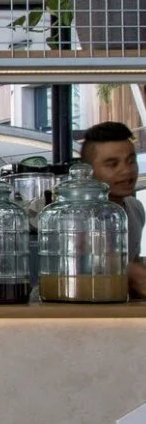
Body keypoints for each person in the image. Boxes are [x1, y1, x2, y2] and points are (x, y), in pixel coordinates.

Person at [80, 120, 146, 297]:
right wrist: (132, 273)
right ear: (88, 172)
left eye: (131, 161)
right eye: (112, 164)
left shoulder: (135, 208)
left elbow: (134, 264)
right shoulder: (75, 216)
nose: (126, 171)